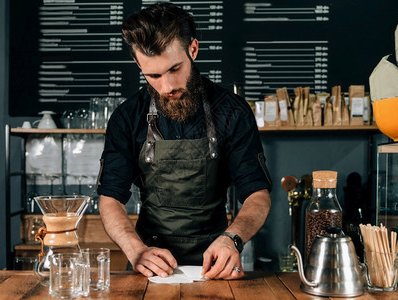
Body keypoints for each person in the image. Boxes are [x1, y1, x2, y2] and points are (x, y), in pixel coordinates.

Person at [97, 2, 272, 280]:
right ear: (137, 63)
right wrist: (135, 250)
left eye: (174, 69)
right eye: (152, 75)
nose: (166, 87)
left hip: (216, 261)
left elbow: (257, 195)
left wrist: (232, 240)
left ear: (193, 49)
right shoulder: (126, 117)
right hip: (150, 263)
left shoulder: (233, 112)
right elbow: (110, 200)